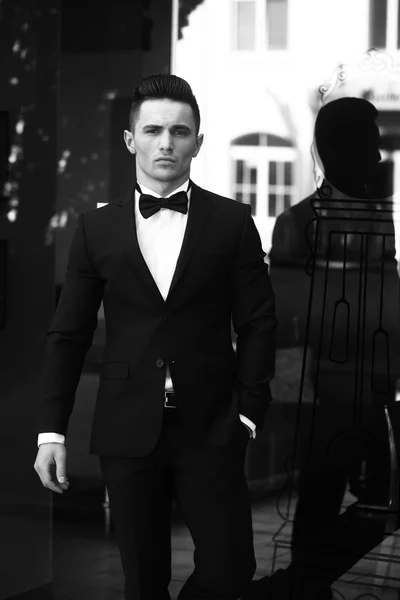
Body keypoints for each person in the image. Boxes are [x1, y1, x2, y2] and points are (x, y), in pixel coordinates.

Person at [33, 74, 277, 600]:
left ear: (198, 142)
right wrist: (51, 431)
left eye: (179, 131)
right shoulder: (95, 228)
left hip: (212, 424)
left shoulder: (233, 221)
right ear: (131, 140)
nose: (166, 143)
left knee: (230, 567)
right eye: (153, 131)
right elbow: (68, 333)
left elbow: (258, 321)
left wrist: (250, 410)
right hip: (126, 427)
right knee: (143, 582)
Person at [248, 97, 400, 600]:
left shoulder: (378, 219)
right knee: (323, 498)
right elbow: (288, 320)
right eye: (369, 143)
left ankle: (303, 583)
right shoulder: (299, 223)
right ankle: (304, 586)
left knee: (376, 499)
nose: (378, 157)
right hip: (324, 394)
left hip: (366, 390)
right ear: (338, 147)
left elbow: (384, 297)